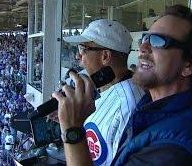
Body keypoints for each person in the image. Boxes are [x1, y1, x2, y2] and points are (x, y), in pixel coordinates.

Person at [52, 5, 192, 166]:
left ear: (191, 64)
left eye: (158, 41)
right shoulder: (157, 112)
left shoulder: (172, 149)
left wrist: (72, 130)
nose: (142, 47)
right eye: (145, 38)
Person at [62, 19, 144, 165]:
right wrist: (67, 120)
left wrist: (71, 129)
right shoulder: (107, 88)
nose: (78, 56)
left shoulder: (127, 106)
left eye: (83, 49)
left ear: (105, 56)